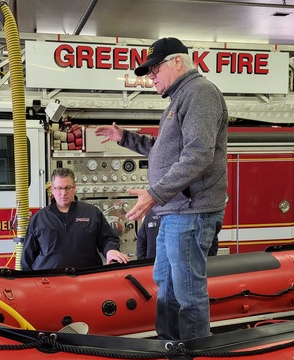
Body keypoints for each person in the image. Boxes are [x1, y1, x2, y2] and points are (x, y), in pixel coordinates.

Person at [95, 37, 228, 341]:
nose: (151, 77)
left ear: (177, 62)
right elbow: (163, 151)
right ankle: (170, 346)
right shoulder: (179, 100)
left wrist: (154, 194)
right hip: (175, 211)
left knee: (186, 289)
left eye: (154, 70)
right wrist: (124, 137)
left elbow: (198, 154)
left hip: (191, 212)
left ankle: (196, 356)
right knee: (166, 284)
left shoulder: (199, 93)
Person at [21, 167, 129, 270]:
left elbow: (107, 239)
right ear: (52, 190)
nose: (63, 193)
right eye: (59, 188)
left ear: (74, 188)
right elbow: (27, 258)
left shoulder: (91, 213)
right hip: (49, 281)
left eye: (68, 187)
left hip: (86, 279)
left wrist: (110, 250)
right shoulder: (39, 218)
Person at [136, 207, 222, 259]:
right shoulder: (152, 212)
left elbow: (210, 240)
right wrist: (143, 262)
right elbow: (142, 240)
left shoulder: (190, 212)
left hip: (185, 267)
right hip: (153, 266)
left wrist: (207, 263)